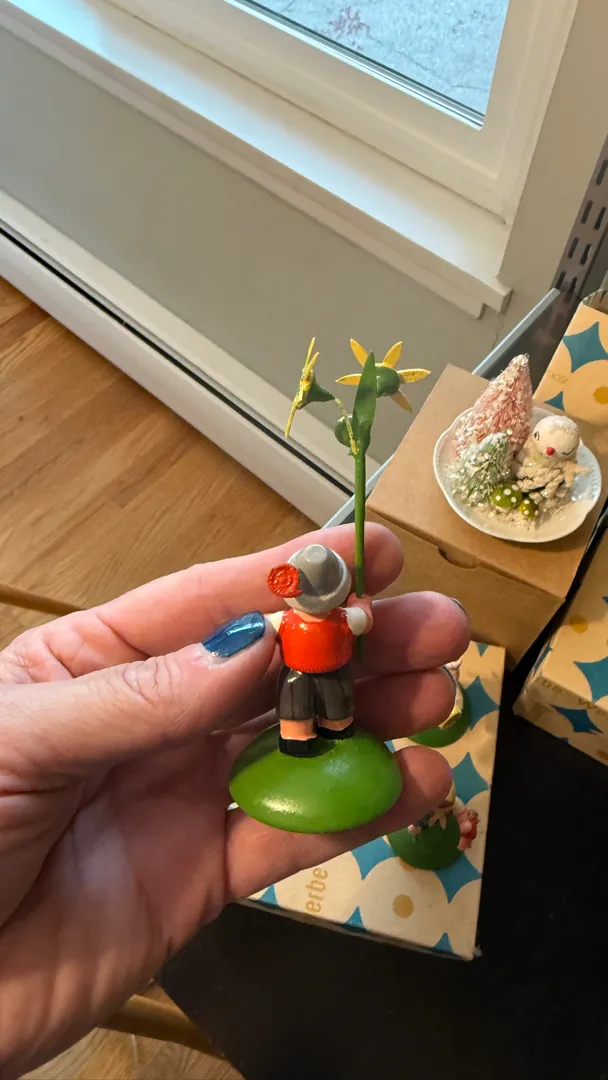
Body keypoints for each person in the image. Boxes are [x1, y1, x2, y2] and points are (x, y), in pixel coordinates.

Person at [0, 524, 468, 1078]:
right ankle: (299, 743)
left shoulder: (344, 619)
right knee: (295, 710)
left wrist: (361, 609)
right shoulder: (286, 621)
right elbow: (266, 631)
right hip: (296, 677)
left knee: (340, 708)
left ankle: (337, 736)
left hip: (336, 678)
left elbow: (364, 621)